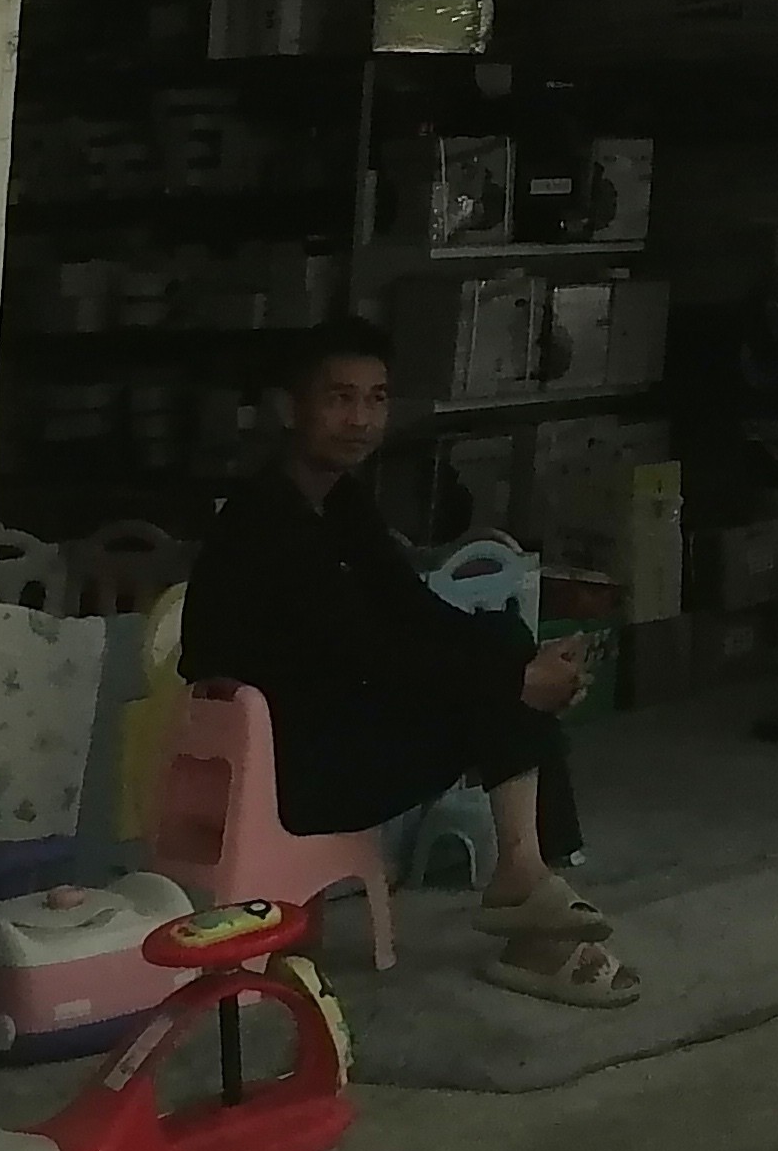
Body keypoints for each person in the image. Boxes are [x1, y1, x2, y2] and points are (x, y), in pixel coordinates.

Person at [180, 317, 638, 1008]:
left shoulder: (340, 504)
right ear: (287, 409)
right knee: (497, 692)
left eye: (377, 398)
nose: (361, 420)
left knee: (500, 641)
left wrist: (523, 660)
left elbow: (414, 612)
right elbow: (370, 652)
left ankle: (530, 887)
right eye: (340, 398)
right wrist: (515, 683)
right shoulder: (265, 522)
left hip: (335, 728)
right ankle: (532, 899)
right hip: (290, 770)